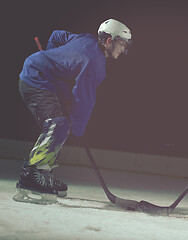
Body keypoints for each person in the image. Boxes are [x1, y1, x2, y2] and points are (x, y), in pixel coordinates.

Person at [13, 19, 132, 204]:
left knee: (61, 125)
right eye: (122, 43)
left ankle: (44, 173)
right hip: (35, 77)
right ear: (109, 40)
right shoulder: (95, 63)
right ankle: (31, 175)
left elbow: (56, 36)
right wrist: (78, 127)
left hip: (42, 78)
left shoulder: (87, 39)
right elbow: (84, 100)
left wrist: (52, 55)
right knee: (58, 125)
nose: (124, 49)